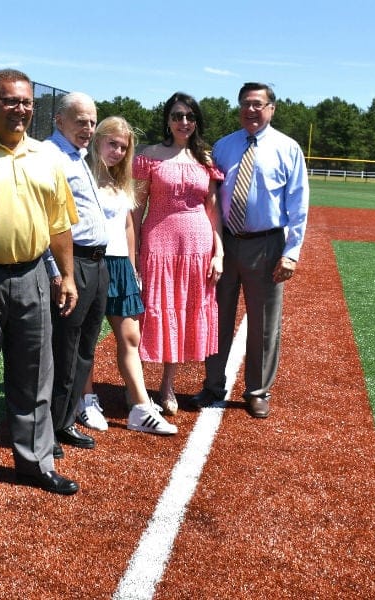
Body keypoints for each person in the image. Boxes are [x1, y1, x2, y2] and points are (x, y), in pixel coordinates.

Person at [0, 69, 80, 498]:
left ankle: (35, 461)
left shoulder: (47, 156)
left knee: (35, 374)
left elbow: (59, 223)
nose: (20, 109)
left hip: (33, 276)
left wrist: (66, 275)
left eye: (26, 102)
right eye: (10, 101)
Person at [192, 82, 309, 419]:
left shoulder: (287, 149)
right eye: (245, 103)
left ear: (271, 108)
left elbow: (298, 205)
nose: (251, 110)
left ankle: (257, 390)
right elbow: (211, 198)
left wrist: (291, 252)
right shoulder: (224, 147)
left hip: (267, 244)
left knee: (263, 323)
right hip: (226, 243)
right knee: (217, 317)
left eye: (258, 104)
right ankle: (213, 384)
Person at [80, 116, 177, 435]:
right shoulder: (81, 174)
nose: (118, 151)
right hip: (92, 261)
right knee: (87, 338)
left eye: (124, 147)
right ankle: (86, 400)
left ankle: (139, 407)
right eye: (112, 144)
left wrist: (134, 265)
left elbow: (127, 225)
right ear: (97, 140)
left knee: (130, 337)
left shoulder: (122, 180)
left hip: (120, 266)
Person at [132, 92, 224, 415]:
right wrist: (135, 253)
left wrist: (219, 252)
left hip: (198, 248)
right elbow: (136, 209)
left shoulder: (206, 160)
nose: (183, 122)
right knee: (150, 312)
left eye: (188, 116)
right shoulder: (149, 156)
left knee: (181, 312)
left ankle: (167, 385)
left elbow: (213, 209)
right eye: (176, 116)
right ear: (167, 120)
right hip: (159, 245)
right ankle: (137, 386)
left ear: (196, 121)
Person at [43, 92, 109, 455]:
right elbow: (46, 221)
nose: (88, 128)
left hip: (96, 264)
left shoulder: (79, 156)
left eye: (92, 121)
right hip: (74, 263)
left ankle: (65, 420)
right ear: (60, 120)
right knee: (63, 350)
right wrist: (57, 271)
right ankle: (48, 429)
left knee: (84, 349)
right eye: (81, 120)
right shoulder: (50, 156)